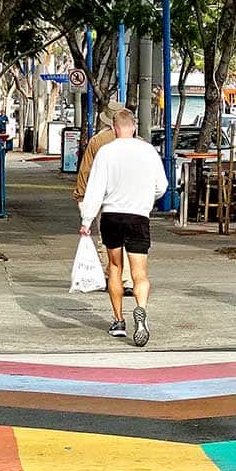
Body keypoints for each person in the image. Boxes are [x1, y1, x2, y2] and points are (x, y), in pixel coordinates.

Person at [79, 110, 167, 346]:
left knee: (115, 268)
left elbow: (95, 188)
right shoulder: (148, 151)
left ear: (115, 129)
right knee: (140, 273)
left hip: (112, 216)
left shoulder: (106, 152)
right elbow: (162, 186)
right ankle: (141, 309)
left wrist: (87, 220)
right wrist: (147, 198)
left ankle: (118, 320)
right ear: (134, 128)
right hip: (138, 216)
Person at [74, 100, 133, 297]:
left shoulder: (97, 141)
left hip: (105, 198)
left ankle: (112, 276)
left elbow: (86, 170)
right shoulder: (137, 141)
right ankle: (129, 279)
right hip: (131, 198)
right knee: (129, 239)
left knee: (107, 240)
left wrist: (81, 196)